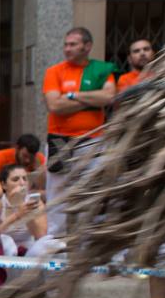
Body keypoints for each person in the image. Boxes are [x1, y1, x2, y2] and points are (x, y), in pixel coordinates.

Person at [42, 28, 115, 237]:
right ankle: (57, 238)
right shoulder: (54, 71)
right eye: (66, 44)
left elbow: (108, 97)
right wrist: (90, 100)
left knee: (93, 189)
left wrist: (72, 96)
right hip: (60, 138)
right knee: (57, 190)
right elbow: (54, 105)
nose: (67, 49)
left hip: (93, 140)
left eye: (73, 44)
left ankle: (89, 238)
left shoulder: (101, 70)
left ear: (87, 46)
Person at [0, 162, 59, 298]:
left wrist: (28, 213)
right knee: (5, 241)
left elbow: (40, 236)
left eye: (24, 179)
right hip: (1, 267)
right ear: (3, 184)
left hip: (25, 266)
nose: (21, 183)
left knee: (51, 242)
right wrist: (16, 215)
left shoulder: (34, 202)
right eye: (15, 179)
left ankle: (53, 296)